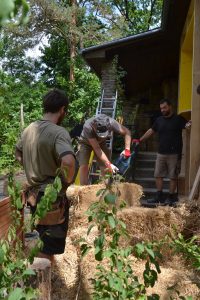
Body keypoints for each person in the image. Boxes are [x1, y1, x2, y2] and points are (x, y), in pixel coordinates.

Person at [15, 89, 75, 263]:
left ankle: (45, 284)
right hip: (51, 196)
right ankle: (41, 288)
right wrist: (66, 182)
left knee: (43, 240)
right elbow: (69, 162)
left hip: (34, 194)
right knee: (48, 246)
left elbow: (18, 151)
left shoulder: (29, 129)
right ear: (62, 109)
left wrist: (29, 166)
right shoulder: (58, 132)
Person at [135, 99, 191, 206]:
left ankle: (171, 197)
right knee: (158, 175)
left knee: (173, 176)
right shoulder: (159, 120)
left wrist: (190, 124)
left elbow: (187, 125)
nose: (162, 110)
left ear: (170, 107)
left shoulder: (178, 119)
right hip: (161, 153)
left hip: (174, 153)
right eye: (161, 108)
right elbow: (151, 131)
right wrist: (140, 140)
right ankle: (159, 196)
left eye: (164, 108)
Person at [78, 114, 132, 185]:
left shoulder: (111, 123)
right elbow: (97, 150)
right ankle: (83, 189)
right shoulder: (88, 126)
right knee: (84, 165)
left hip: (101, 142)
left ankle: (105, 188)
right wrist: (109, 164)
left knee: (105, 167)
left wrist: (127, 150)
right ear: (94, 126)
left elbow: (127, 132)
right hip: (85, 143)